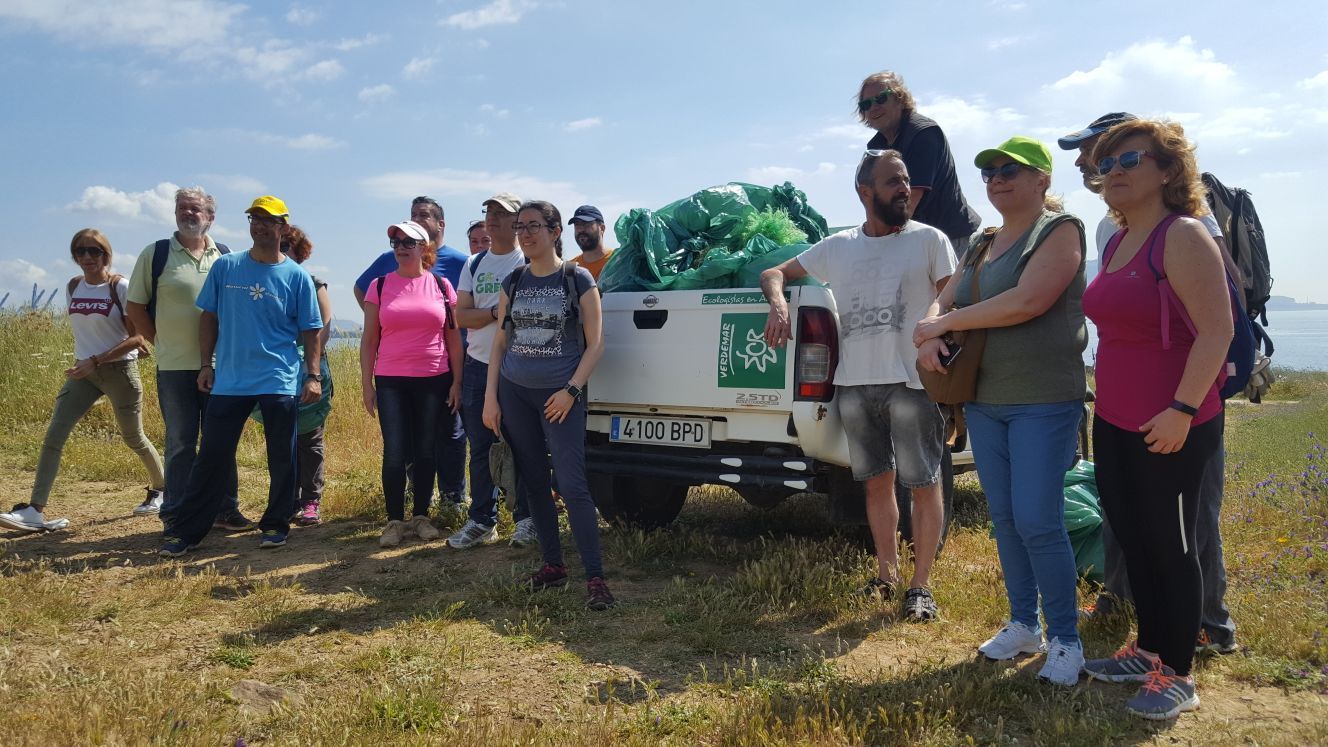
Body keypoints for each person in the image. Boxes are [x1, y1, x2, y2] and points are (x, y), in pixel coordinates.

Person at [1059, 113, 1240, 654]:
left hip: (1173, 421)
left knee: (1173, 549)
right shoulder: (1116, 240)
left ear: (1166, 170)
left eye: (1129, 160)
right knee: (1136, 543)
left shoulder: (1181, 234)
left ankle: (1177, 673)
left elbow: (1218, 329)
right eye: (1105, 162)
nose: (1112, 170)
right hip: (1117, 419)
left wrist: (1183, 409)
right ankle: (1148, 651)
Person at [913, 137, 1087, 685]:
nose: (996, 177)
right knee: (1007, 518)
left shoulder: (1059, 231)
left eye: (1011, 169)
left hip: (1043, 398)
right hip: (986, 400)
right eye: (988, 170)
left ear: (1042, 179)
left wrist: (945, 325)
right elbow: (948, 296)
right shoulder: (983, 242)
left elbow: (1029, 300)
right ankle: (1022, 622)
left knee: (1038, 518)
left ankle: (1065, 639)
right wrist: (929, 329)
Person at [761, 150, 955, 621]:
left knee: (924, 484)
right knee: (874, 484)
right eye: (893, 182)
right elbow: (774, 273)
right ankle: (887, 576)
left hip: (911, 382)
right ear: (865, 192)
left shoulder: (930, 239)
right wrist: (779, 304)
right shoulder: (838, 245)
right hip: (853, 383)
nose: (903, 189)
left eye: (906, 179)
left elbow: (955, 299)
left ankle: (921, 586)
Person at [158, 196, 324, 556]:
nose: (259, 225)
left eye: (267, 220)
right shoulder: (227, 267)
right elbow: (209, 317)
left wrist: (312, 376)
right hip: (230, 380)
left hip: (278, 377)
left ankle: (276, 525)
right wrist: (206, 365)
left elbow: (311, 330)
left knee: (282, 457)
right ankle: (186, 531)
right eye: (254, 218)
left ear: (283, 227)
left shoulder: (296, 276)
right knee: (212, 456)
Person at [481, 200, 612, 609]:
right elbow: (500, 344)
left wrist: (572, 390)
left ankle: (595, 578)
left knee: (572, 486)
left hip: (561, 396)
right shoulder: (514, 281)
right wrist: (491, 398)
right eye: (521, 226)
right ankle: (553, 566)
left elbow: (596, 345)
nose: (525, 233)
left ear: (555, 231)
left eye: (534, 226)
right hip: (515, 394)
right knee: (533, 482)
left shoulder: (578, 280)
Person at [0, 230, 166, 533]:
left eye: (94, 251)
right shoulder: (73, 286)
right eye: (80, 252)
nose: (87, 258)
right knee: (54, 437)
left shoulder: (120, 287)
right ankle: (35, 511)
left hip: (119, 372)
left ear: (106, 254)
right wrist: (86, 362)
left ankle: (162, 490)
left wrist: (97, 360)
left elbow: (139, 337)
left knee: (134, 437)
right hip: (83, 373)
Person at [124, 187, 250, 530]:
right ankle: (176, 513)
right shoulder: (157, 253)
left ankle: (225, 509)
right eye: (183, 208)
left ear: (210, 217)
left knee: (220, 440)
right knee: (180, 443)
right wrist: (158, 340)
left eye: (196, 209)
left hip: (220, 367)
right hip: (175, 367)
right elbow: (135, 305)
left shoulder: (225, 257)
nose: (188, 214)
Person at [354, 197, 469, 507]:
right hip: (391, 379)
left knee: (427, 449)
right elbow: (369, 340)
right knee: (395, 451)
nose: (401, 246)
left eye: (408, 241)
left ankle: (421, 515)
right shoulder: (379, 286)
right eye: (396, 241)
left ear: (424, 248)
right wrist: (367, 384)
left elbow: (454, 338)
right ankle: (394, 520)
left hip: (434, 378)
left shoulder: (443, 286)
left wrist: (457, 381)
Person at [447, 192, 538, 550]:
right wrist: (496, 314)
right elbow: (461, 316)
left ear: (517, 222)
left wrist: (483, 315)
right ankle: (482, 520)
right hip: (477, 366)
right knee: (480, 446)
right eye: (489, 212)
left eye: (502, 213)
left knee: (522, 444)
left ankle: (528, 519)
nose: (493, 219)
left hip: (518, 368)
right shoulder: (474, 263)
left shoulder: (528, 261)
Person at [253, 225, 333, 526]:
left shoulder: (313, 283)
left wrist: (307, 366)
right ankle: (286, 500)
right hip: (272, 371)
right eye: (279, 244)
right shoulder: (262, 284)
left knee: (310, 438)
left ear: (300, 253)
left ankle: (311, 500)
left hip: (307, 371)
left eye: (288, 245)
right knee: (281, 437)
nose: (282, 249)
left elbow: (322, 328)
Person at [858, 70, 980, 259]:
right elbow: (875, 198)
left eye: (881, 99)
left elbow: (911, 197)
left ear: (899, 99)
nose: (873, 107)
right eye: (866, 104)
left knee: (947, 289)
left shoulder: (923, 133)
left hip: (950, 235)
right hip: (913, 235)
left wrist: (881, 246)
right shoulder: (875, 146)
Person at [567, 205, 615, 280]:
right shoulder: (569, 270)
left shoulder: (617, 261)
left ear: (602, 228)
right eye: (577, 225)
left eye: (586, 224)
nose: (581, 230)